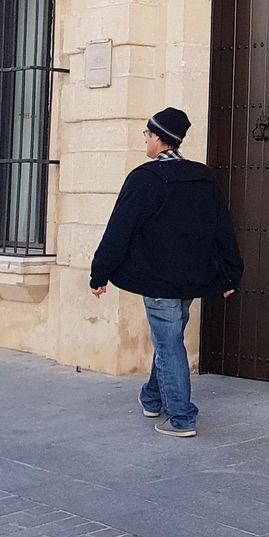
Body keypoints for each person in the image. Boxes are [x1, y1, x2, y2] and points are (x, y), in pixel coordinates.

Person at [89, 107, 244, 438]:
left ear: (158, 138)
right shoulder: (203, 177)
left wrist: (99, 273)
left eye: (147, 134)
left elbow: (119, 231)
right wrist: (231, 274)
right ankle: (152, 397)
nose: (146, 140)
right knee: (169, 338)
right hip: (191, 280)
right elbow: (223, 229)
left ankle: (182, 417)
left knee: (170, 342)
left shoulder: (144, 179)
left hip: (158, 281)